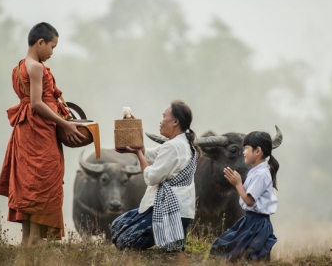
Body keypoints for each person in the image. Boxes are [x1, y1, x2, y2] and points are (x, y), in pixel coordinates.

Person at [0, 22, 85, 247]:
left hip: (25, 131)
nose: (52, 52)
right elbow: (36, 103)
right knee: (43, 179)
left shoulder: (18, 68)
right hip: (38, 131)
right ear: (40, 42)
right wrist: (64, 123)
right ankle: (35, 239)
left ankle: (28, 238)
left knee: (29, 181)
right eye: (52, 47)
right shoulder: (36, 67)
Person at [111, 101, 197, 252]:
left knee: (124, 241)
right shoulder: (184, 143)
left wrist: (137, 153)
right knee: (117, 225)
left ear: (175, 121)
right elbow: (151, 155)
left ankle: (168, 239)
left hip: (170, 212)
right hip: (180, 212)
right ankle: (170, 239)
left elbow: (151, 177)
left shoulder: (173, 146)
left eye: (164, 117)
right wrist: (135, 132)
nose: (161, 121)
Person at [210, 131, 280, 262]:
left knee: (248, 258)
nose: (244, 152)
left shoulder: (261, 175)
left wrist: (237, 184)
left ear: (258, 151)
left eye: (246, 148)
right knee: (222, 247)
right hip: (249, 221)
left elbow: (249, 200)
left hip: (256, 224)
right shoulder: (257, 172)